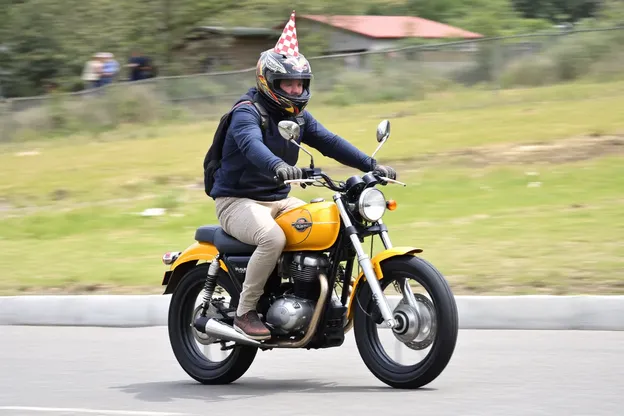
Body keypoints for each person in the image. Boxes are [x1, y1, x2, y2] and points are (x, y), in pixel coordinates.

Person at [208, 11, 397, 340]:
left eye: (300, 84)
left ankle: (310, 294)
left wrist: (371, 165)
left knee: (330, 220)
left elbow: (330, 143)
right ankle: (244, 312)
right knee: (273, 238)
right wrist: (279, 167)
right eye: (288, 84)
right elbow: (253, 147)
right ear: (269, 81)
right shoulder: (246, 113)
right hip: (236, 201)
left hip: (277, 199)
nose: (295, 90)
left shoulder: (300, 118)